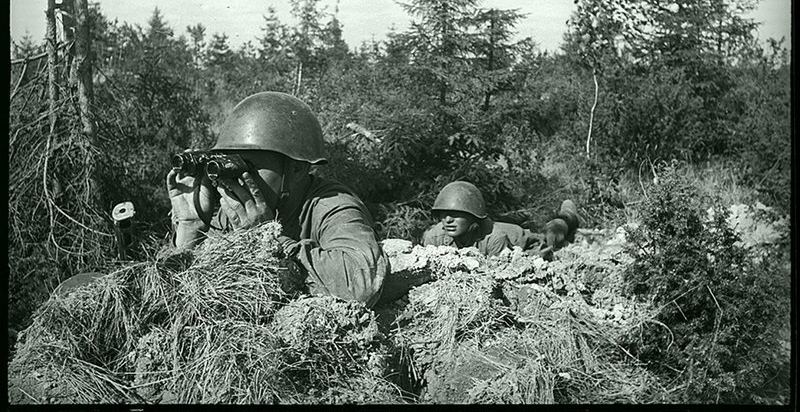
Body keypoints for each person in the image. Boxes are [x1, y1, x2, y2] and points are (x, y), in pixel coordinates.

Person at [166, 91, 387, 307]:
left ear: (297, 169)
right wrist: (191, 229)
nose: (237, 181)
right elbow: (176, 296)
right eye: (229, 167)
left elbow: (363, 283)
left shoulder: (332, 204)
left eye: (247, 167)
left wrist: (266, 237)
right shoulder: (234, 214)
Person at [420, 181, 580, 259]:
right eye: (443, 214)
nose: (447, 220)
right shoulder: (434, 238)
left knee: (552, 237)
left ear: (473, 217)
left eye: (456, 214)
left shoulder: (495, 238)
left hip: (520, 240)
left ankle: (567, 216)